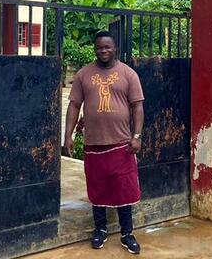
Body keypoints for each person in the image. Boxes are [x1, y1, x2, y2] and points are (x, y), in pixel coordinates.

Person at [64, 31, 145, 254]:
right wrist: (68, 135)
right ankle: (100, 230)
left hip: (122, 145)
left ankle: (127, 233)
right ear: (95, 49)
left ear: (114, 48)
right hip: (94, 144)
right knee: (97, 189)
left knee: (124, 190)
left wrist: (136, 136)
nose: (103, 50)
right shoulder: (83, 75)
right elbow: (73, 106)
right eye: (100, 47)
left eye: (107, 47)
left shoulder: (128, 74)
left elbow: (137, 107)